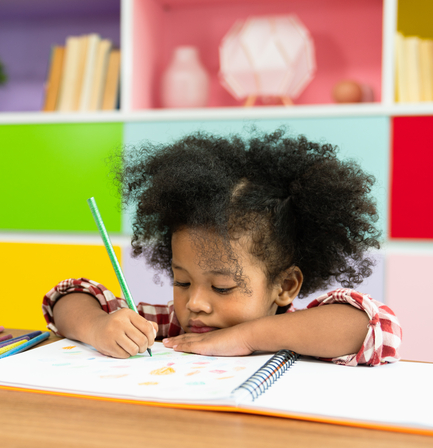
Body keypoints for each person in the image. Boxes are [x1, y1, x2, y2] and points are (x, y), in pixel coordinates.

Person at [42, 130, 401, 366]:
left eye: (222, 287)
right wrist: (98, 328)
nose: (194, 303)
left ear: (285, 286)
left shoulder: (303, 333)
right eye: (182, 282)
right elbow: (69, 296)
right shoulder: (170, 328)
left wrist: (246, 338)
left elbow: (380, 327)